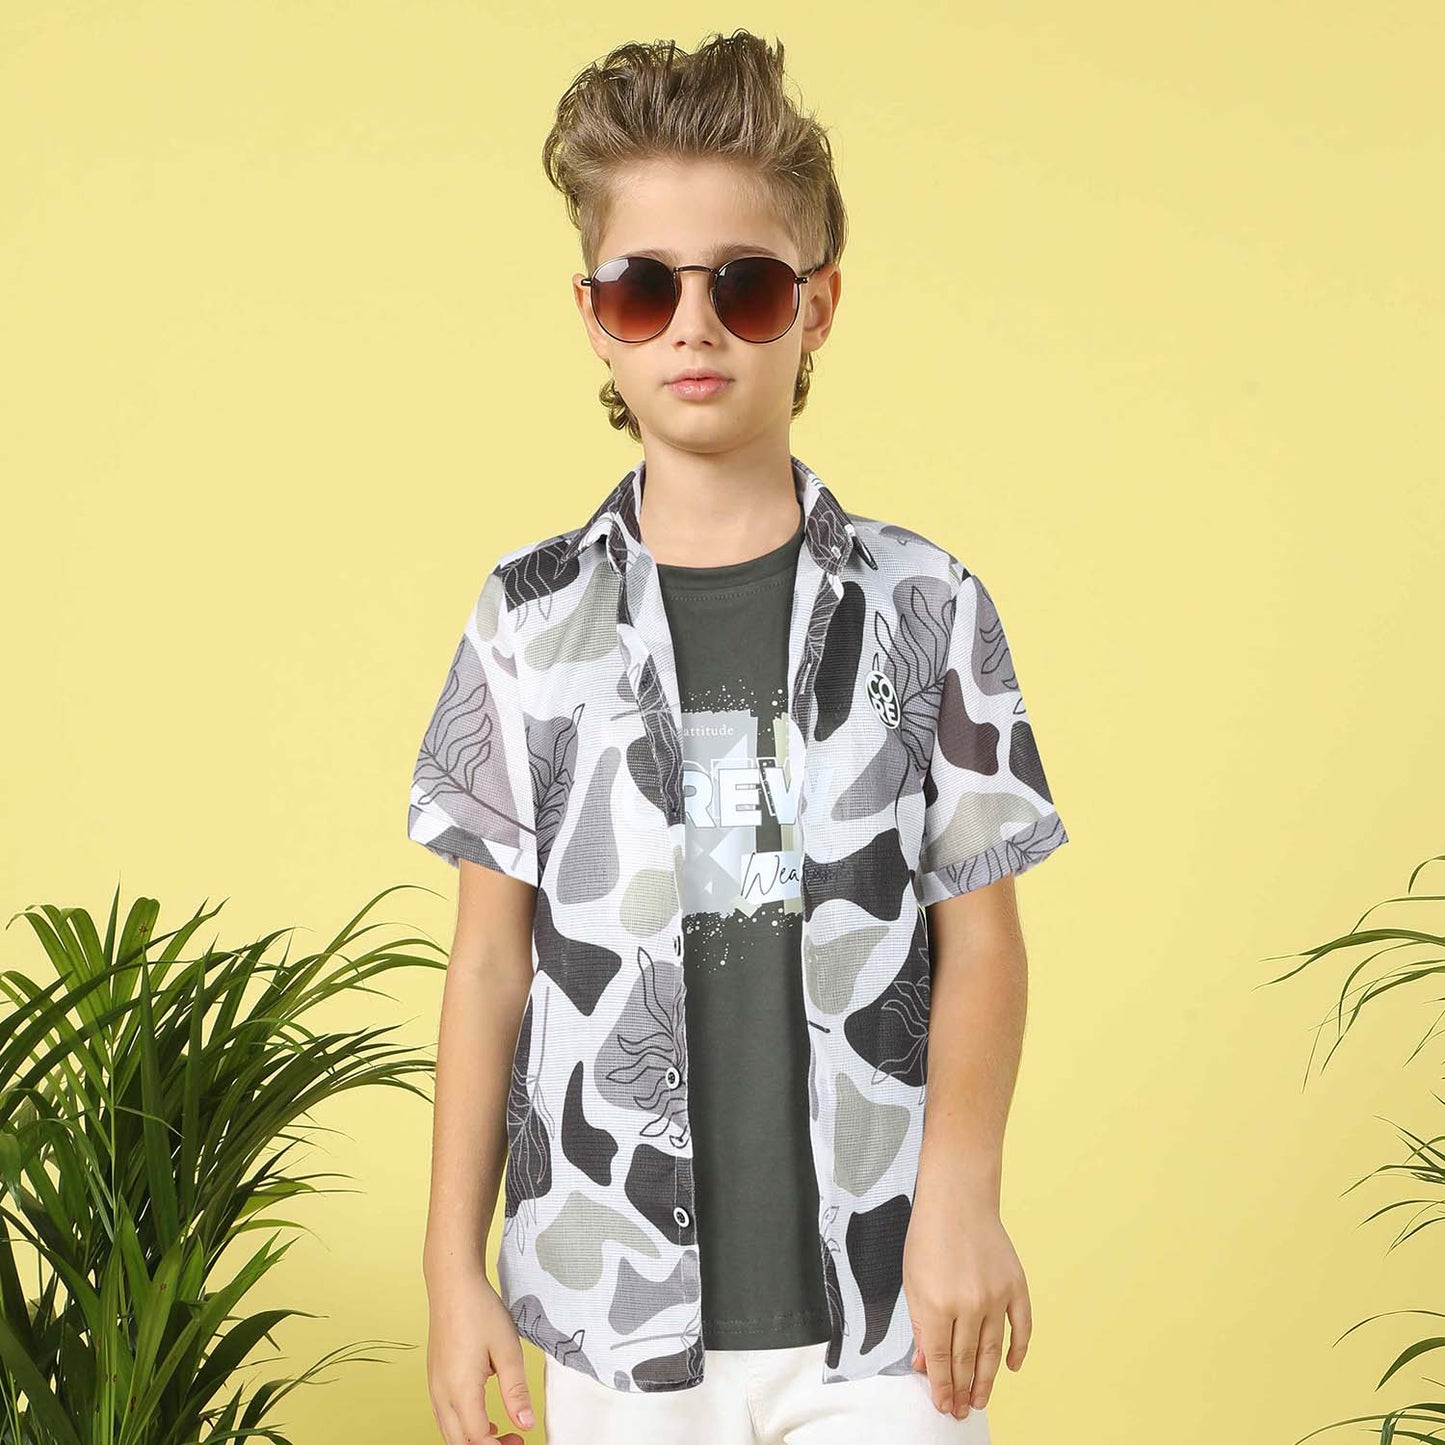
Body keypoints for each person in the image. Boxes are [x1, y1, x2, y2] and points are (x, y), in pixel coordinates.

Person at [412, 29, 1069, 1445]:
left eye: (746, 285)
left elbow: (982, 938)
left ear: (815, 305)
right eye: (645, 288)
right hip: (610, 1309)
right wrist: (449, 1271)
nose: (694, 327)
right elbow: (488, 962)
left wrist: (961, 1197)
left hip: (884, 1311)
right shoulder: (527, 621)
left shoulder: (928, 605)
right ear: (595, 316)